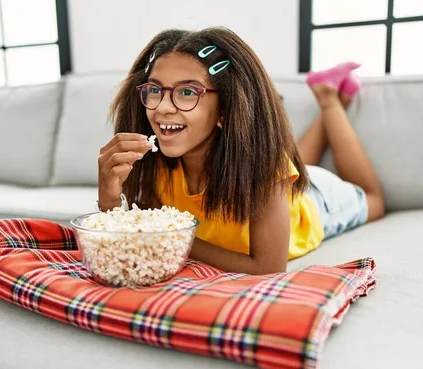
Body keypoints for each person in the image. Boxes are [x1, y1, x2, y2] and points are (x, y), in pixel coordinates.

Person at [97, 27, 384, 275]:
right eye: (156, 90)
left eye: (187, 92)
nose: (162, 107)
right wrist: (109, 198)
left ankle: (329, 100)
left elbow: (268, 268)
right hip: (272, 183)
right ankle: (329, 102)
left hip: (317, 205)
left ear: (225, 110)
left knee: (374, 200)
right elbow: (132, 238)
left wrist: (171, 236)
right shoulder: (155, 160)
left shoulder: (265, 168)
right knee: (288, 166)